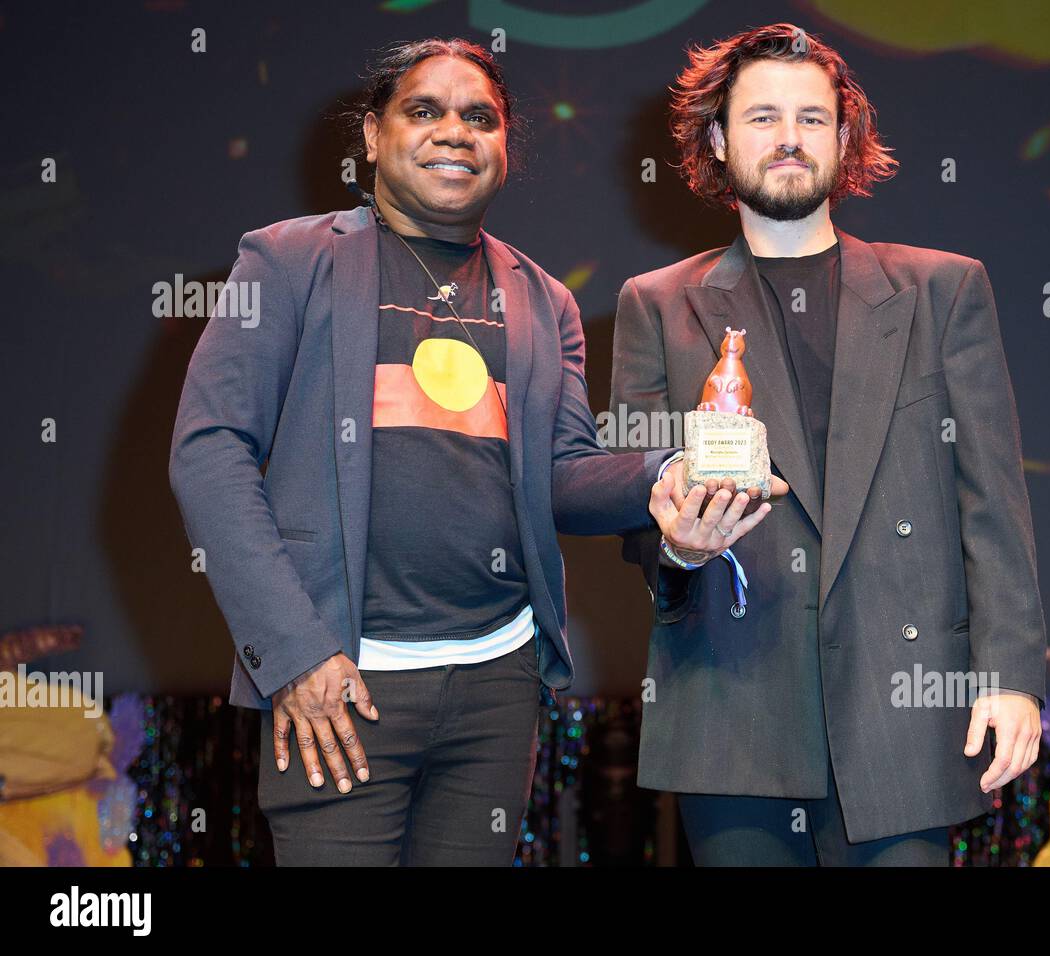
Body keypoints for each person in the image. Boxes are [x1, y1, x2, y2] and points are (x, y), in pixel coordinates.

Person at [169, 37, 774, 866]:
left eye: (479, 118)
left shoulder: (543, 299)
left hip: (496, 683)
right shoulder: (288, 261)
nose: (454, 130)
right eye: (424, 110)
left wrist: (669, 472)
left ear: (502, 150)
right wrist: (295, 654)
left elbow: (561, 476)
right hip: (339, 683)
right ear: (373, 137)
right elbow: (209, 452)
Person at [611, 23, 1047, 866]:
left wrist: (1010, 674)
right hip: (733, 709)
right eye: (763, 117)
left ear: (843, 140)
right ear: (718, 138)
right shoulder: (656, 304)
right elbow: (638, 500)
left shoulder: (942, 289)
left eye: (813, 119)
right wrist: (679, 547)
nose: (788, 139)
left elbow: (992, 500)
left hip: (905, 709)